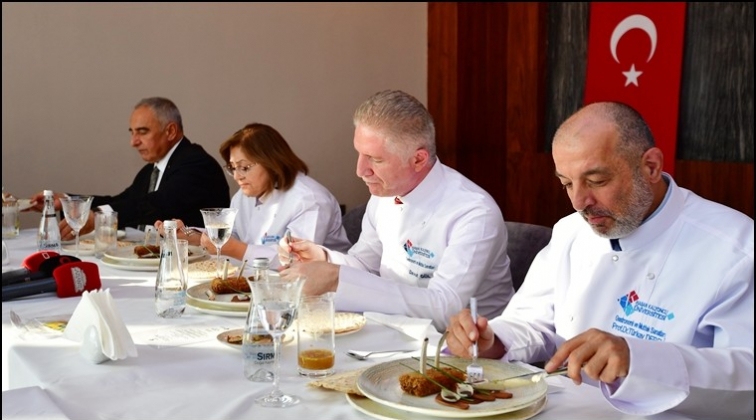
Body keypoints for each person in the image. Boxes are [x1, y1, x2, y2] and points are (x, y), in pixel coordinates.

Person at [445, 101, 754, 419]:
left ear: (650, 166)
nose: (579, 202)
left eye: (596, 181)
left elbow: (748, 376)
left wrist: (638, 360)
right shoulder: (571, 231)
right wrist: (493, 340)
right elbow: (533, 320)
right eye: (567, 183)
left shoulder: (737, 249)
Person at [280, 89, 514, 331]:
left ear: (418, 159)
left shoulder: (473, 213)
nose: (360, 171)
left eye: (375, 159)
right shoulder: (385, 193)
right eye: (359, 154)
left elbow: (445, 309)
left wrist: (336, 279)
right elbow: (366, 265)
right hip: (393, 329)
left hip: (464, 346)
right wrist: (322, 258)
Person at [28, 97, 230, 239]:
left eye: (142, 132)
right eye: (132, 132)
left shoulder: (196, 164)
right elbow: (123, 201)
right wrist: (68, 201)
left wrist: (98, 215)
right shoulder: (153, 169)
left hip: (196, 266)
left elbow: (155, 204)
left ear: (170, 131)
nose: (133, 142)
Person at [156, 122, 350, 266]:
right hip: (257, 280)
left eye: (244, 167)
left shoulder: (309, 199)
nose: (237, 176)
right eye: (233, 168)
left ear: (272, 162)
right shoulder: (243, 196)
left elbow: (295, 261)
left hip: (317, 292)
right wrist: (191, 235)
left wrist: (234, 249)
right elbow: (233, 236)